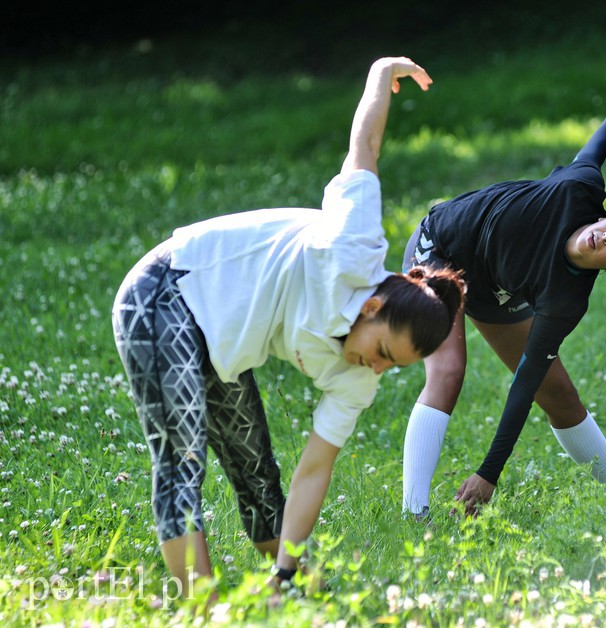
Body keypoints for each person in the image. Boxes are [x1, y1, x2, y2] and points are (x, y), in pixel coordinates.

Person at [111, 56, 466, 592]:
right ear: (371, 308)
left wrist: (284, 571)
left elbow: (314, 471)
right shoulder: (353, 247)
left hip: (224, 344)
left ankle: (288, 589)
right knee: (182, 459)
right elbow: (364, 148)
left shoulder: (357, 378)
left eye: (392, 367)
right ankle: (202, 609)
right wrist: (380, 73)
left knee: (258, 471)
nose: (376, 368)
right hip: (167, 292)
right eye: (383, 353)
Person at [401, 69, 606, 518]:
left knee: (559, 395)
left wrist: (488, 473)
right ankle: (413, 516)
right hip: (441, 247)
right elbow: (596, 149)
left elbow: (525, 384)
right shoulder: (577, 189)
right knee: (449, 370)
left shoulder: (565, 300)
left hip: (493, 286)